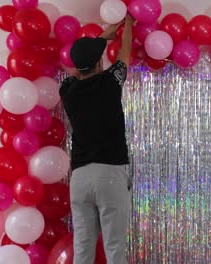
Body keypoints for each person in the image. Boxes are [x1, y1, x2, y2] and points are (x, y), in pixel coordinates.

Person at [59, 14, 133, 264]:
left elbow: (82, 65)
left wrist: (101, 39)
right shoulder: (110, 83)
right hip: (110, 174)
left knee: (82, 247)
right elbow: (125, 53)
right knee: (114, 248)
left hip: (80, 179)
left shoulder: (67, 91)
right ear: (100, 64)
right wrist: (128, 24)